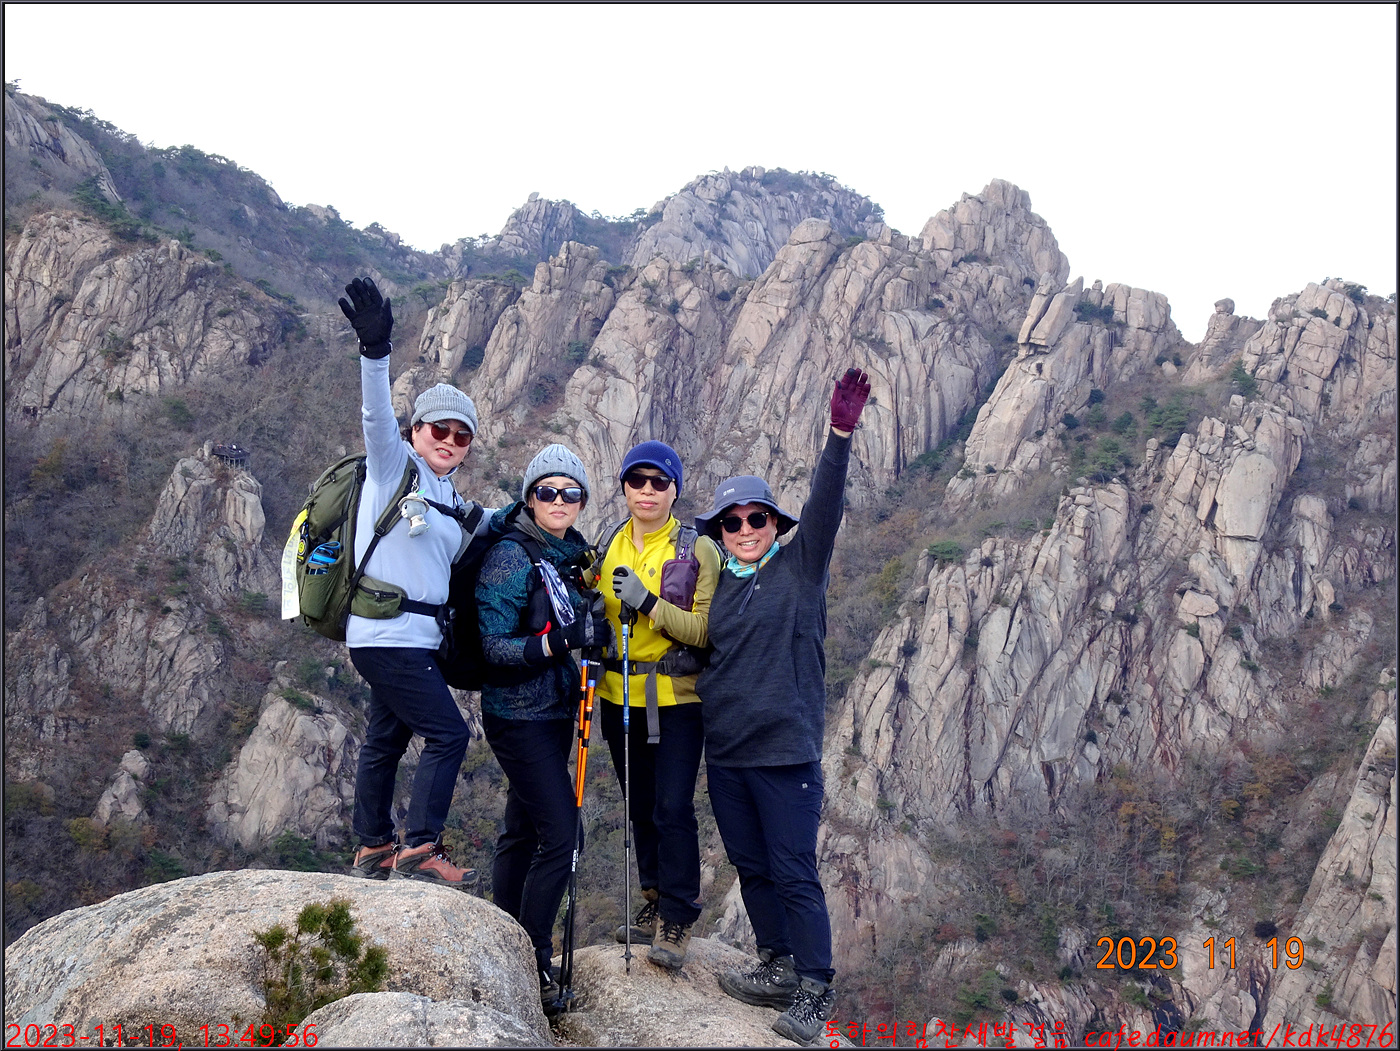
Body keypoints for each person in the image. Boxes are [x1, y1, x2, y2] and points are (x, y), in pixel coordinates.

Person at [696, 367, 871, 1045]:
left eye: (757, 518)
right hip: (727, 754)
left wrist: (839, 437)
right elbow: (699, 652)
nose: (745, 528)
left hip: (785, 753)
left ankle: (815, 987)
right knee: (752, 867)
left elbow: (825, 507)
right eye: (733, 521)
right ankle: (775, 963)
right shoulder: (718, 587)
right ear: (720, 530)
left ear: (774, 523)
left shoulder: (800, 570)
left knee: (795, 871)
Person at [338, 277, 494, 889]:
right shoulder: (392, 469)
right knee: (449, 735)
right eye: (438, 430)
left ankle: (373, 845)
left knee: (385, 739)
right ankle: (420, 846)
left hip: (413, 642)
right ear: (415, 432)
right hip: (387, 634)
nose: (449, 442)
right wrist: (375, 353)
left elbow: (489, 528)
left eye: (462, 435)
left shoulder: (451, 500)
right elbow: (376, 415)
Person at [475, 444, 610, 1010]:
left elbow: (580, 619)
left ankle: (503, 939)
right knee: (563, 836)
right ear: (530, 498)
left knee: (522, 831)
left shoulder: (570, 555)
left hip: (555, 713)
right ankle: (532, 959)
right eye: (547, 491)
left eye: (570, 492)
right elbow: (494, 646)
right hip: (517, 716)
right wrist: (560, 642)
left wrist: (595, 629)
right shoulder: (510, 557)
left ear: (581, 500)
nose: (559, 500)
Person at [592, 441, 721, 970]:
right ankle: (654, 896)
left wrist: (648, 603)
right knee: (640, 804)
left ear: (674, 491)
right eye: (637, 480)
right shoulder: (607, 543)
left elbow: (706, 631)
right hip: (615, 695)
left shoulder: (697, 549)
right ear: (624, 486)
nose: (647, 490)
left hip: (675, 698)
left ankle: (678, 914)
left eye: (659, 482)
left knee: (672, 807)